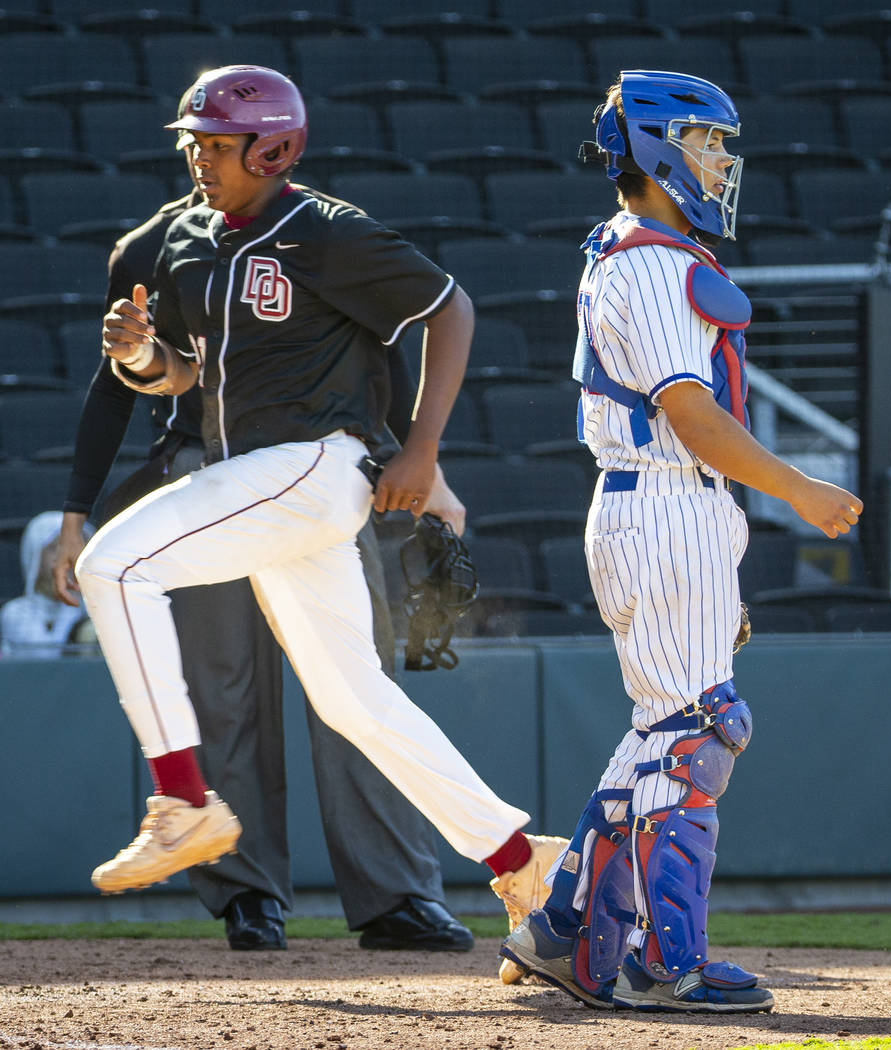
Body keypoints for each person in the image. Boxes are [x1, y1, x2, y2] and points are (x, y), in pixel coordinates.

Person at [72, 65, 561, 928]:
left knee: (115, 564)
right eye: (196, 144)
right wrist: (142, 359)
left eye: (220, 145)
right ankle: (525, 862)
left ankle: (183, 800)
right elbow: (189, 379)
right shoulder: (190, 241)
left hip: (312, 466)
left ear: (277, 147)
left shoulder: (327, 230)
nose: (201, 159)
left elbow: (451, 309)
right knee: (352, 699)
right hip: (259, 484)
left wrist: (423, 450)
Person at [499, 70, 863, 1013]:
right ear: (658, 150)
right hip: (664, 501)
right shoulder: (654, 261)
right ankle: (668, 963)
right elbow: (693, 418)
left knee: (666, 732)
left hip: (667, 510)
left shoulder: (635, 250)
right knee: (699, 732)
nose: (720, 162)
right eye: (706, 144)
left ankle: (564, 929)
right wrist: (802, 492)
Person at [1, 511, 94, 659]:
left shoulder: (96, 608)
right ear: (35, 556)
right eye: (55, 548)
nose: (67, 556)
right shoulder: (16, 612)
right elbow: (47, 660)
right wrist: (71, 601)